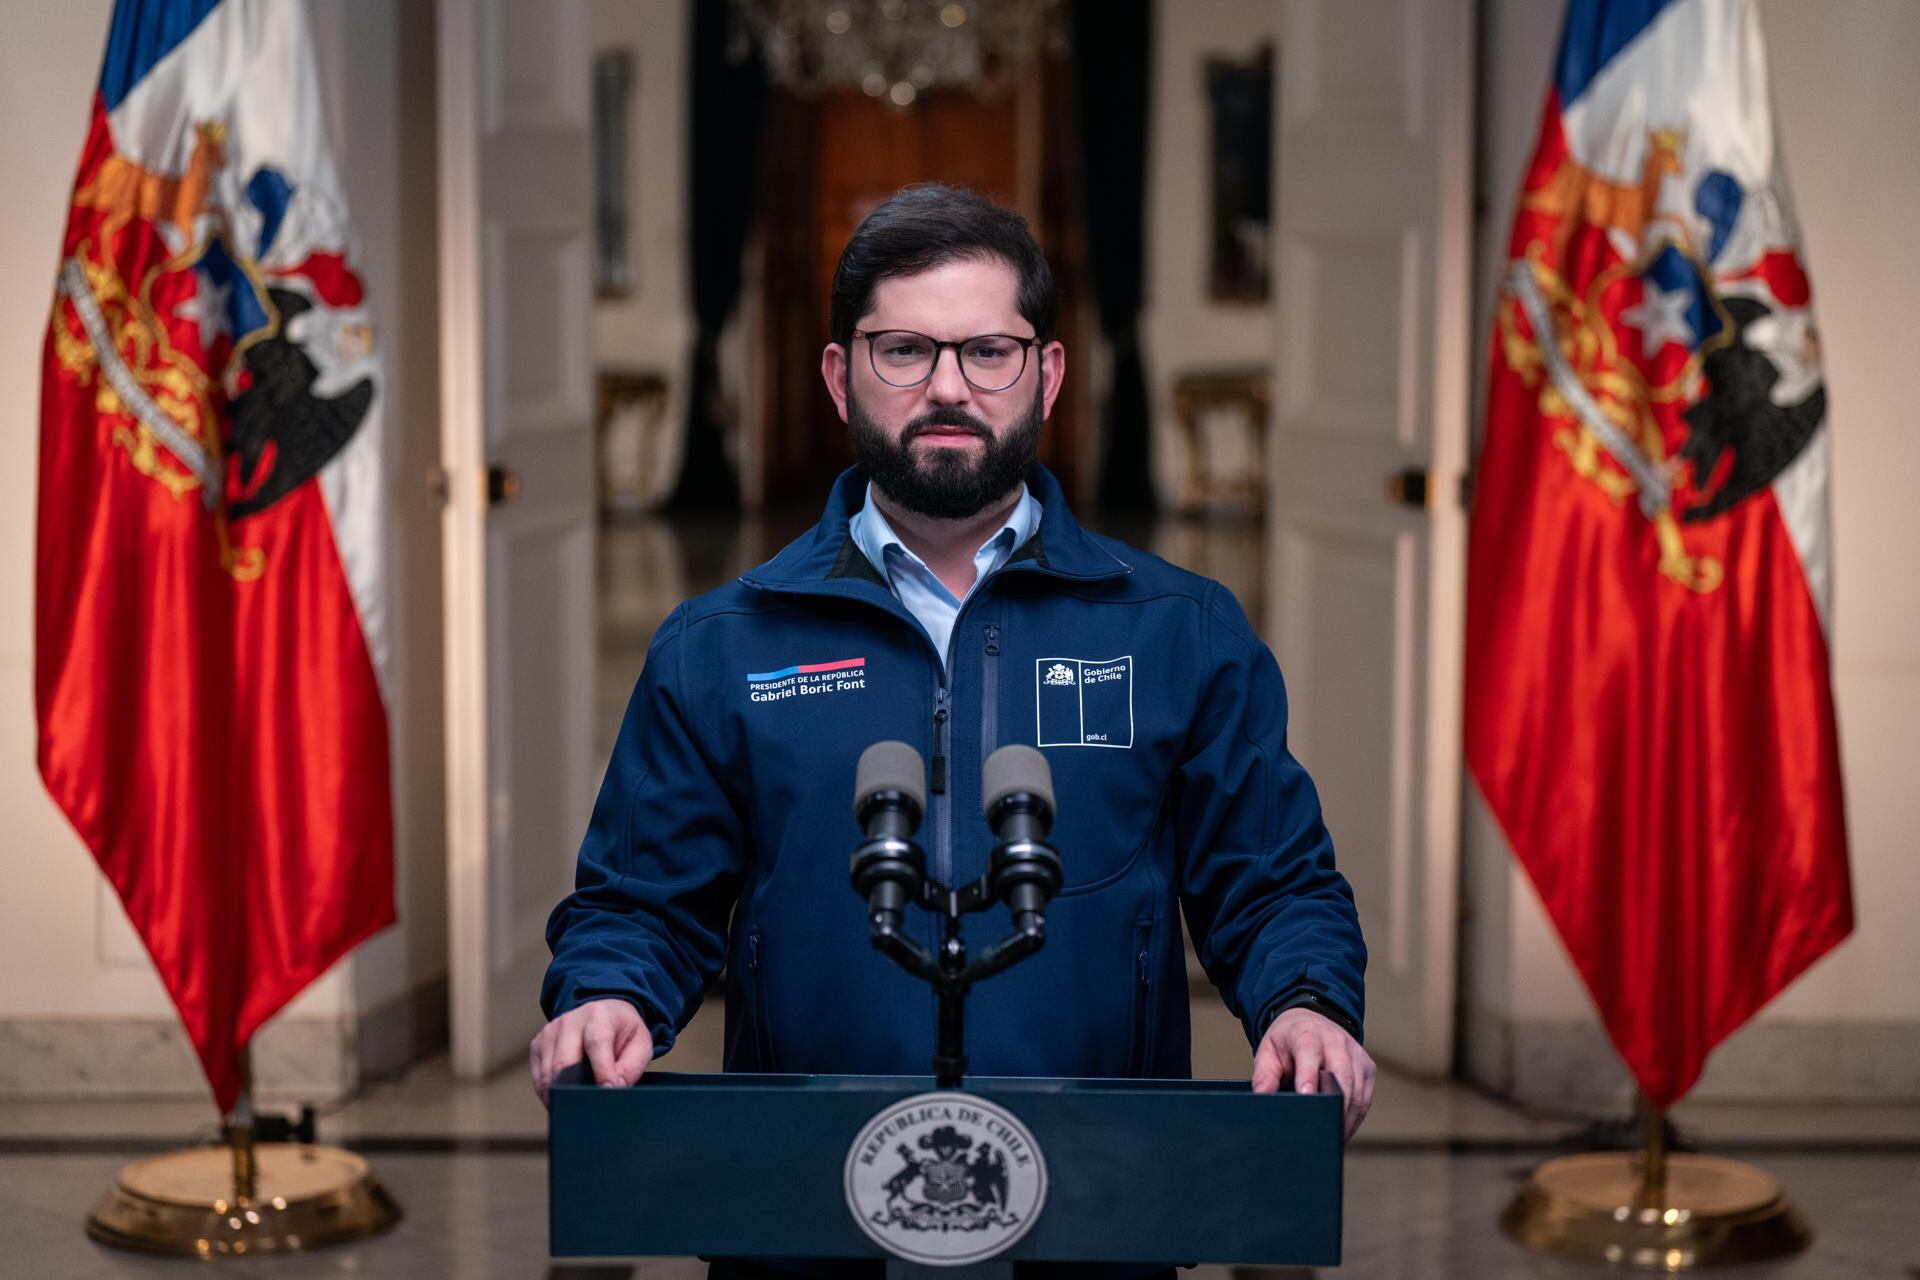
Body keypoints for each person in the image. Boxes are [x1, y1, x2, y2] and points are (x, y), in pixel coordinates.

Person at [532, 183, 1373, 1277]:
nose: (946, 387)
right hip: (804, 1213)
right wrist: (605, 992)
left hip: (1101, 1207)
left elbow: (1272, 883)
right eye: (902, 351)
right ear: (840, 377)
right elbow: (642, 901)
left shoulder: (1182, 631)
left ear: (1047, 374)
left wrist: (1305, 1002)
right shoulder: (720, 644)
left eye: (988, 350)